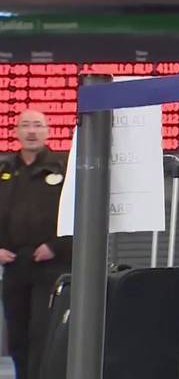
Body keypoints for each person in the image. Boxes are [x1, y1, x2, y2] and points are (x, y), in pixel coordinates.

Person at [0, 110, 72, 379]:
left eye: (38, 125)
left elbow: (78, 213)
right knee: (17, 335)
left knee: (43, 333)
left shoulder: (62, 167)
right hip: (15, 265)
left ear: (48, 131)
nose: (32, 131)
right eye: (26, 125)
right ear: (16, 131)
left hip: (51, 265)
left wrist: (56, 246)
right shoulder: (5, 170)